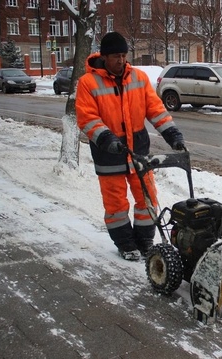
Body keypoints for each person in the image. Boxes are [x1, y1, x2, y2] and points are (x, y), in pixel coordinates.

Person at [76, 32, 185, 261]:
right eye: (116, 56)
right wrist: (106, 139)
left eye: (124, 55)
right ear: (104, 57)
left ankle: (145, 239)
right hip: (109, 153)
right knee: (116, 204)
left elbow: (155, 109)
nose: (121, 60)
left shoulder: (138, 77)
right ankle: (125, 243)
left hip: (138, 151)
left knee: (147, 198)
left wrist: (172, 134)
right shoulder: (88, 83)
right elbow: (87, 118)